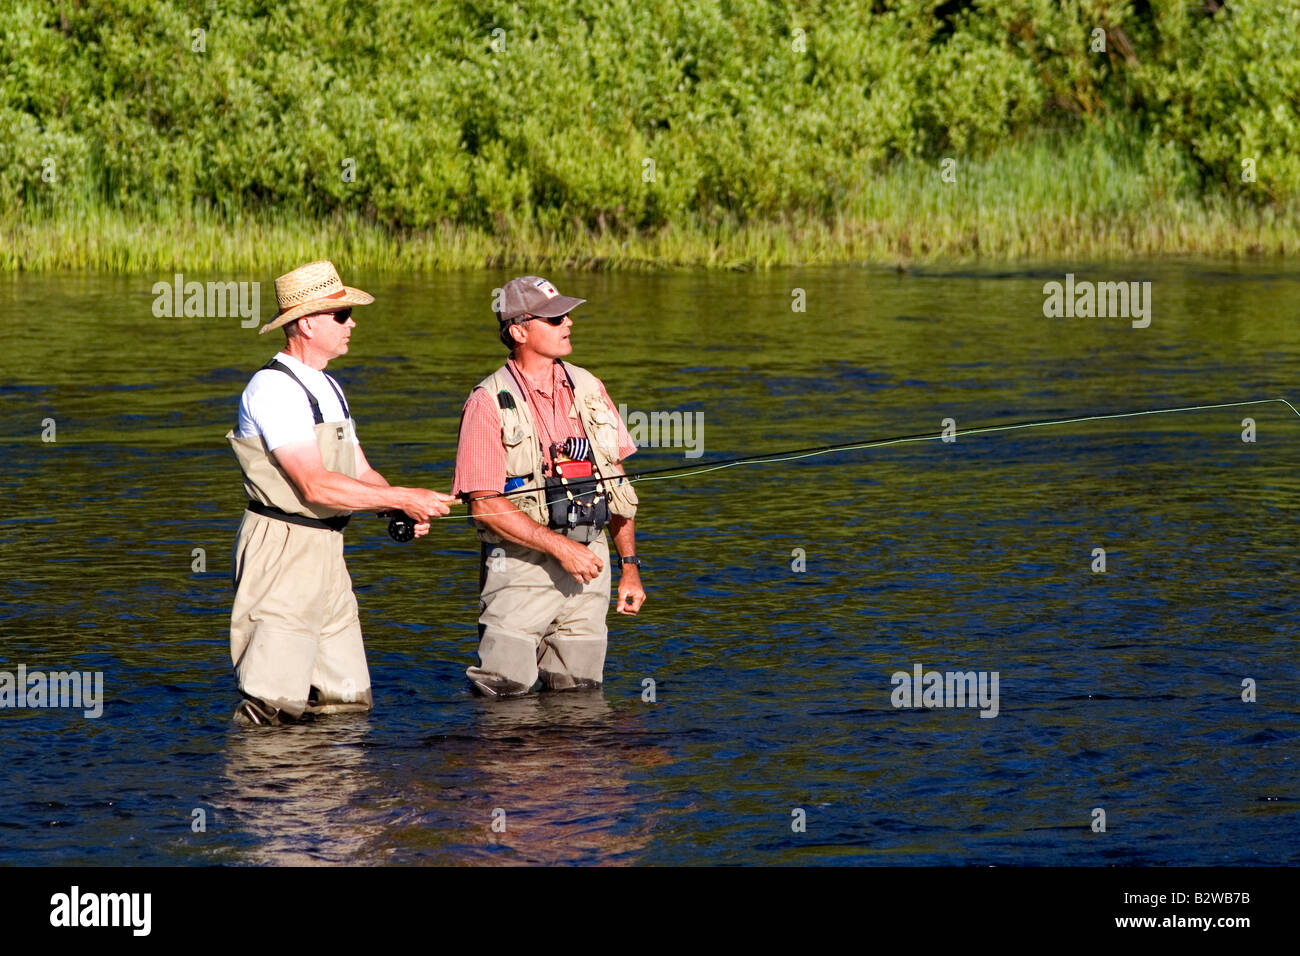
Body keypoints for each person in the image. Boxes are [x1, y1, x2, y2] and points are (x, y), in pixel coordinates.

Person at [227, 260, 454, 725]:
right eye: (342, 314)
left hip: (330, 550)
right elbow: (313, 482)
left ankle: (332, 796)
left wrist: (401, 503)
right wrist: (402, 498)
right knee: (271, 706)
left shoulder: (330, 385)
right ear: (307, 323)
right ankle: (263, 794)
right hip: (282, 551)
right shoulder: (272, 388)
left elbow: (361, 471)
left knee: (346, 700)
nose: (352, 323)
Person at [452, 276, 647, 697]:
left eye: (568, 315)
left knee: (580, 699)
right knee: (503, 703)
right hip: (520, 568)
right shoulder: (487, 402)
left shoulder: (590, 386)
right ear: (519, 331)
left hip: (591, 567)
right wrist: (561, 548)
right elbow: (484, 506)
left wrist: (630, 568)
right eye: (556, 317)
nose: (569, 323)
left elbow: (619, 487)